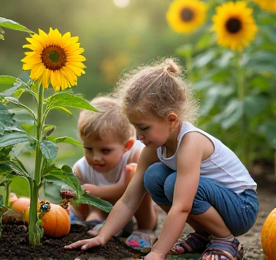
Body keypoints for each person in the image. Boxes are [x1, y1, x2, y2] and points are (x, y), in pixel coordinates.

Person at [65, 58, 259, 260]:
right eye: (135, 127)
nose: (138, 136)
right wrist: (102, 236)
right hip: (217, 203)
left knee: (175, 184)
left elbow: (182, 206)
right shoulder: (153, 147)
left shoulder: (191, 143)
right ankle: (205, 234)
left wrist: (158, 253)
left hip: (241, 207)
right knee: (154, 176)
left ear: (171, 120)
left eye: (144, 127)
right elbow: (129, 200)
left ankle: (227, 240)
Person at [68, 95, 157, 237]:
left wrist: (97, 191)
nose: (96, 158)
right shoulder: (81, 168)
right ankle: (96, 221)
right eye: (89, 149)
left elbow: (129, 191)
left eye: (105, 151)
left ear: (126, 146)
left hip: (135, 209)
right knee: (79, 190)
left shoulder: (135, 155)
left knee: (135, 174)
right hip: (107, 211)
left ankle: (144, 230)